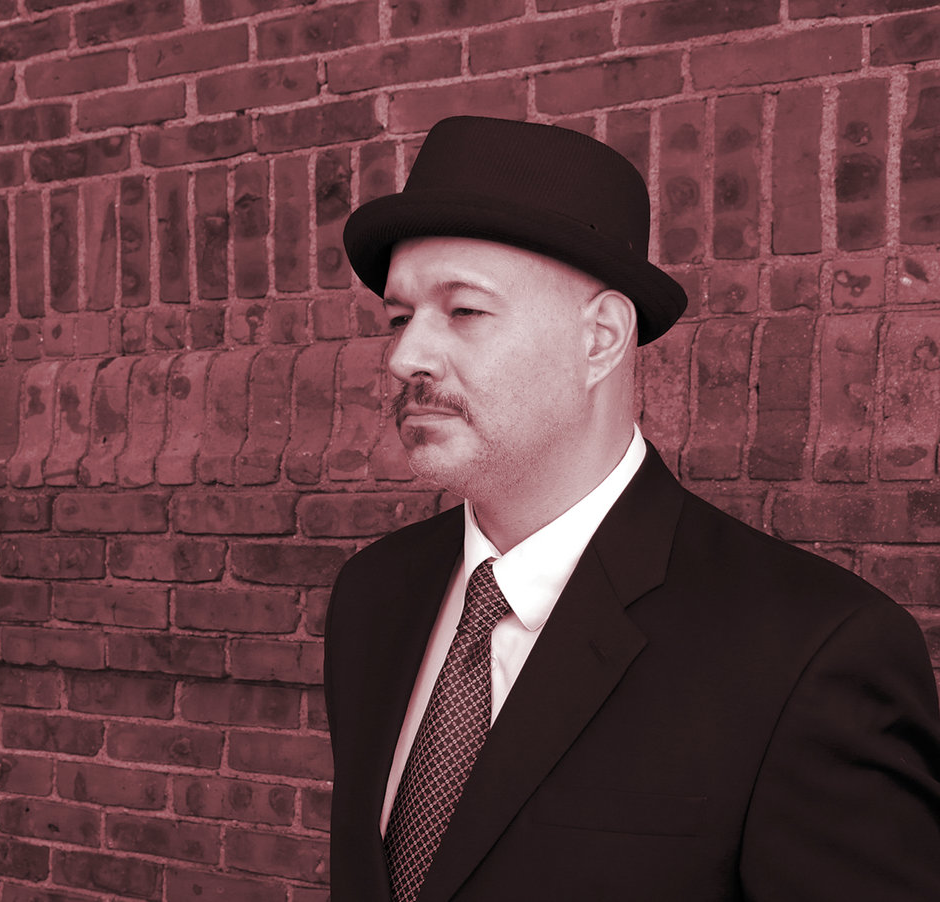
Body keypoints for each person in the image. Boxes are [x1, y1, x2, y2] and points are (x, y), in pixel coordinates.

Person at [324, 116, 940, 901]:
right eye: (399, 318)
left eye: (464, 311)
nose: (404, 355)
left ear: (602, 338)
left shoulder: (809, 652)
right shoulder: (373, 596)